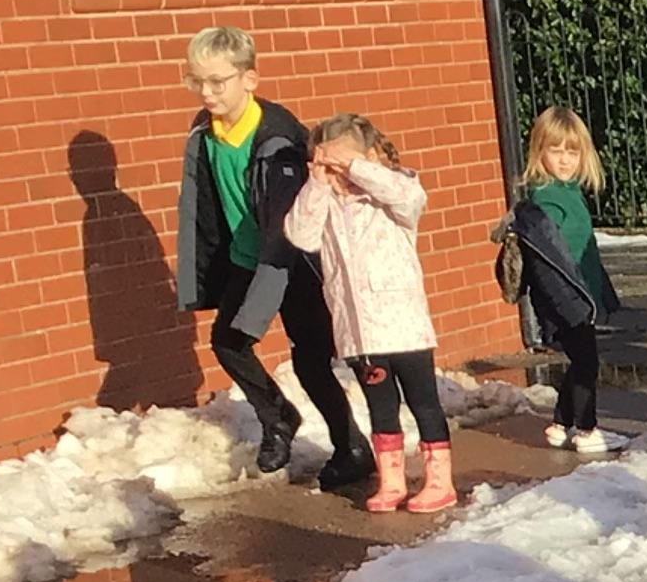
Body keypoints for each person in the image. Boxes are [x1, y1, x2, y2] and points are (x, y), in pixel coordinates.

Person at [173, 25, 372, 493]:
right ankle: (278, 414)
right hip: (247, 258)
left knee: (312, 359)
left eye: (217, 81)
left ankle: (353, 448)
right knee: (228, 342)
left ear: (249, 78)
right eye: (197, 81)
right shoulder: (205, 132)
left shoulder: (279, 139)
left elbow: (288, 230)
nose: (206, 92)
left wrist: (263, 301)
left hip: (292, 262)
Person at [281, 115, 454, 514]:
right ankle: (391, 480)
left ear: (371, 157)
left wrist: (356, 167)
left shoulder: (391, 197)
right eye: (332, 167)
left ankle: (439, 481)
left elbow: (409, 196)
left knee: (424, 402)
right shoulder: (327, 203)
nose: (342, 177)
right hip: (360, 333)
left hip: (404, 326)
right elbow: (300, 234)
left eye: (346, 166)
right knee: (381, 406)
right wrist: (318, 183)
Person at [511, 107, 621, 454]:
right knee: (587, 362)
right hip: (565, 297)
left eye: (572, 152)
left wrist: (601, 292)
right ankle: (586, 429)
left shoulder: (570, 192)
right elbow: (546, 258)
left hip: (579, 295)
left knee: (581, 360)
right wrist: (564, 303)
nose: (564, 160)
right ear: (539, 151)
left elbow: (584, 250)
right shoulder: (546, 200)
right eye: (555, 150)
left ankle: (561, 424)